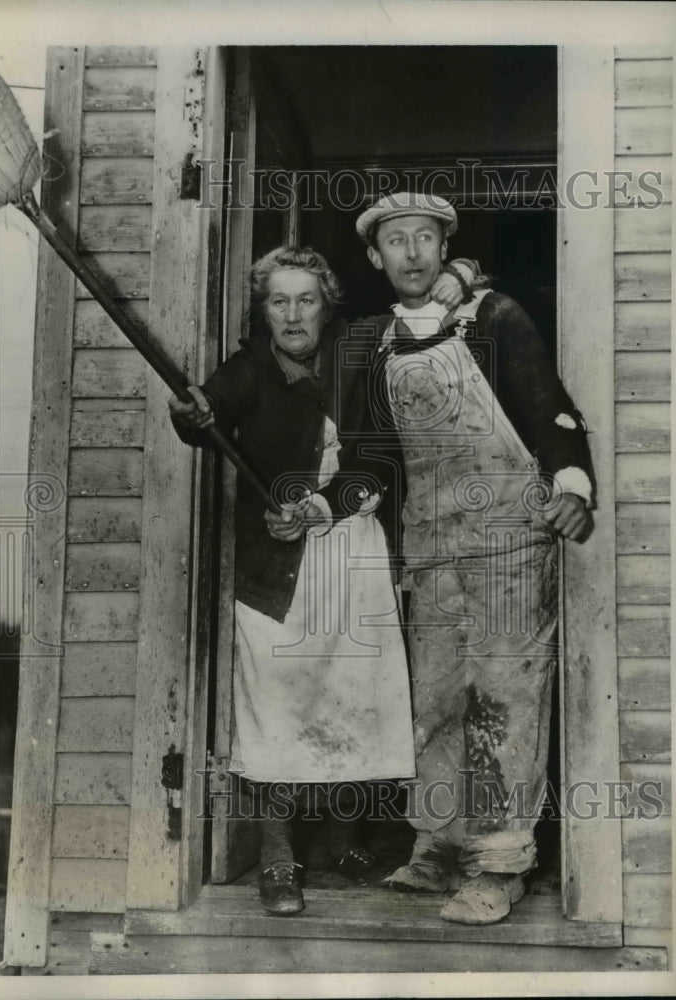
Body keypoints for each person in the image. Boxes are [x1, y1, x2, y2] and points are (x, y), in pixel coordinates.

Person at [169, 245, 476, 916]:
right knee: (276, 703)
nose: (292, 313)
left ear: (325, 304)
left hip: (348, 548)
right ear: (264, 310)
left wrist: (323, 504)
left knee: (352, 697)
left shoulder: (357, 358)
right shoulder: (248, 366)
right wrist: (189, 414)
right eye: (278, 300)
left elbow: (377, 458)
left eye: (305, 298)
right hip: (274, 565)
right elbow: (205, 409)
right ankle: (278, 858)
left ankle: (340, 839)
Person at [354, 192, 595, 925]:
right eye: (396, 241)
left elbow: (547, 405)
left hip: (509, 542)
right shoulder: (378, 343)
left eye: (425, 237)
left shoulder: (495, 318)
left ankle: (498, 865)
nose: (412, 252)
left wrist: (572, 483)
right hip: (429, 546)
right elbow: (377, 459)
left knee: (502, 702)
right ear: (375, 257)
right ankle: (437, 847)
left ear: (444, 245)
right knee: (434, 702)